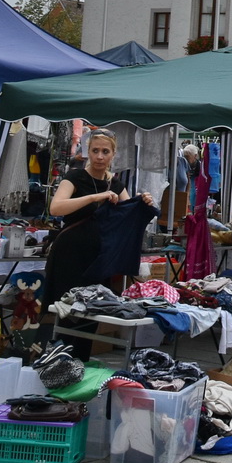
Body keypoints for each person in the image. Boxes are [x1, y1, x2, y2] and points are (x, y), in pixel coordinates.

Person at [38, 132, 151, 353]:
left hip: (98, 259)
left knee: (92, 312)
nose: (100, 156)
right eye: (95, 151)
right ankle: (58, 362)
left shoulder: (115, 184)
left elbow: (129, 218)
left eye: (105, 151)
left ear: (113, 154)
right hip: (70, 256)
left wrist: (143, 202)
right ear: (88, 152)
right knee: (68, 312)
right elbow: (56, 208)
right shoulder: (75, 177)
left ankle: (81, 363)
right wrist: (94, 197)